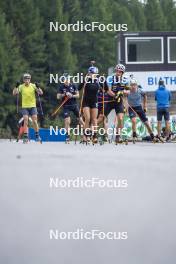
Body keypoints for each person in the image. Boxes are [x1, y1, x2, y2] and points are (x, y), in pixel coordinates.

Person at [13, 73, 43, 143]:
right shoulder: (21, 86)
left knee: (35, 121)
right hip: (25, 107)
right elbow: (14, 93)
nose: (27, 80)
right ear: (23, 80)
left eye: (28, 79)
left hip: (33, 106)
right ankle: (25, 136)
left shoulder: (33, 86)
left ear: (30, 79)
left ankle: (37, 135)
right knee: (25, 120)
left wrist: (38, 87)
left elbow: (41, 93)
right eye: (26, 79)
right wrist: (16, 86)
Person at [105, 64, 129, 143]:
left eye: (120, 72)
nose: (118, 73)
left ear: (122, 72)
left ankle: (118, 137)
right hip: (110, 101)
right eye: (117, 71)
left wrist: (122, 92)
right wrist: (115, 95)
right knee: (102, 117)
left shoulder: (125, 80)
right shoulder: (110, 78)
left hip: (119, 102)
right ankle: (92, 133)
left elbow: (127, 91)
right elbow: (108, 90)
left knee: (121, 118)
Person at [78, 66, 100, 144]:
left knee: (94, 119)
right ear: (89, 73)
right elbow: (79, 88)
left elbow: (106, 89)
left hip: (94, 101)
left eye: (95, 73)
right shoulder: (86, 80)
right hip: (86, 101)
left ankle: (95, 136)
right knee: (87, 118)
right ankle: (86, 135)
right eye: (92, 73)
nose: (93, 75)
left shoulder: (98, 81)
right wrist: (84, 80)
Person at [57, 75, 80, 142]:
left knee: (80, 120)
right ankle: (67, 136)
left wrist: (72, 95)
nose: (66, 80)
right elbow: (58, 96)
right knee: (67, 121)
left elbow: (78, 95)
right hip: (66, 106)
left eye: (68, 79)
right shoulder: (61, 87)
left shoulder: (73, 85)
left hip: (74, 105)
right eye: (65, 79)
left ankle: (86, 134)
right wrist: (64, 94)